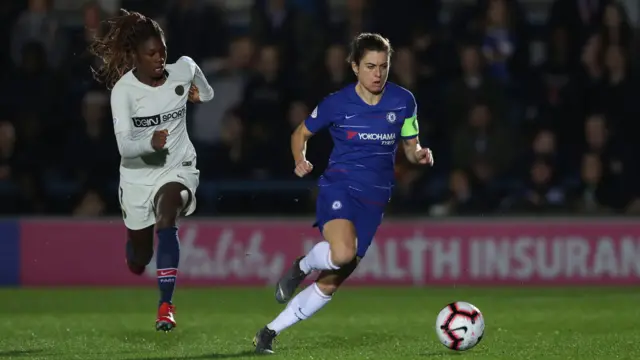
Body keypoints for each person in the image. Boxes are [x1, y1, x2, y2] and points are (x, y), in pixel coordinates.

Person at [253, 33, 433, 353]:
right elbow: (301, 133)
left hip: (376, 199)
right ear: (354, 67)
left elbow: (410, 145)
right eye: (369, 66)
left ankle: (268, 332)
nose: (377, 74)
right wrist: (300, 158)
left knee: (332, 281)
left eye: (383, 66)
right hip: (340, 186)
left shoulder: (404, 101)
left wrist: (419, 154)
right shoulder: (337, 103)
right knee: (343, 253)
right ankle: (302, 266)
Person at [88, 9, 214, 332]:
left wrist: (199, 95)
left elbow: (208, 91)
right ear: (135, 57)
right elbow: (125, 147)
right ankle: (134, 252)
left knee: (167, 214)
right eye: (151, 54)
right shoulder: (124, 92)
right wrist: (150, 144)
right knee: (140, 258)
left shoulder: (183, 69)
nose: (160, 59)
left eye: (163, 51)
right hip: (138, 176)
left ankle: (165, 307)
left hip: (178, 166)